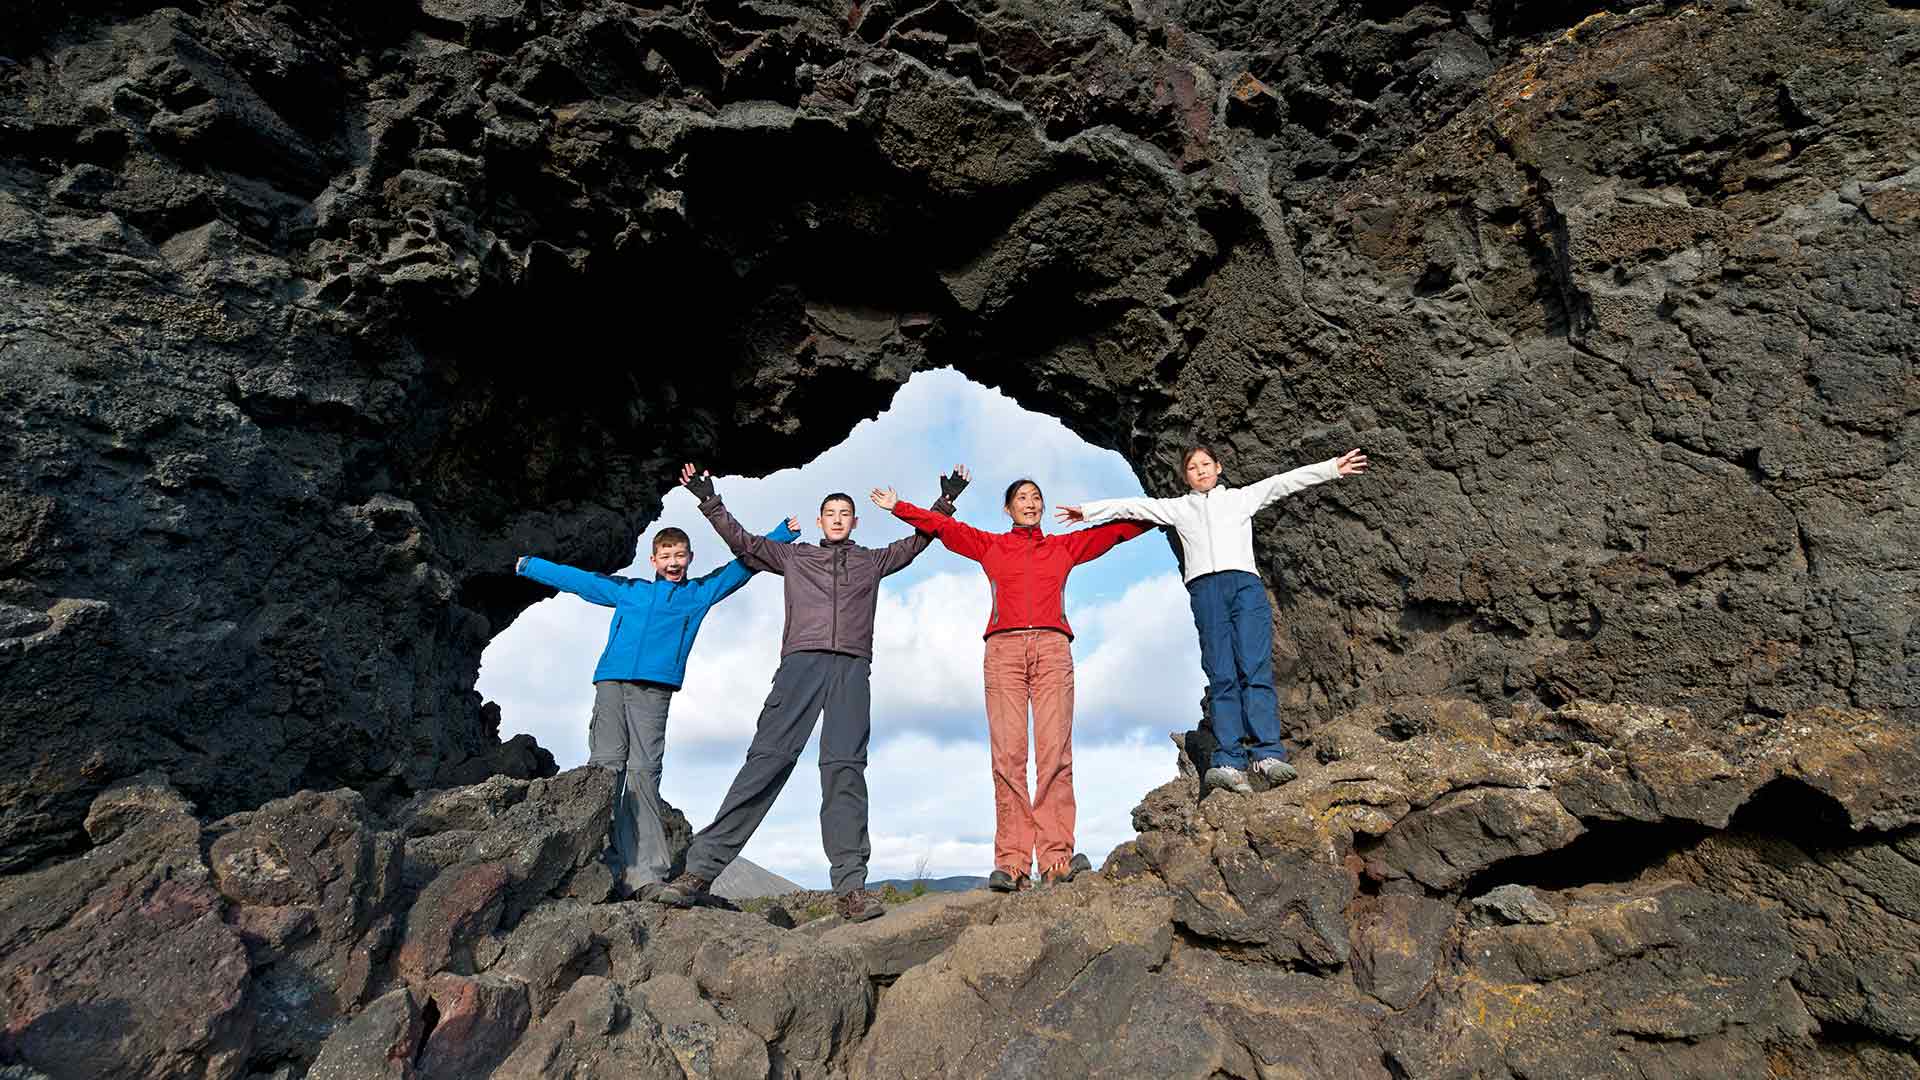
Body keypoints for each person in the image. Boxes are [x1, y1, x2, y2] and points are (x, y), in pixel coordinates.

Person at [654, 463, 961, 921]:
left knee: (845, 770)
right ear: (820, 523)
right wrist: (708, 499)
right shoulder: (795, 558)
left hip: (852, 670)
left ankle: (852, 889)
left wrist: (945, 502)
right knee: (767, 761)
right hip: (801, 664)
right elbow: (745, 543)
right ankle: (698, 873)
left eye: (845, 513)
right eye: (830, 513)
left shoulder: (872, 560)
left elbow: (920, 541)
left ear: (855, 522)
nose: (837, 519)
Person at [876, 470, 1151, 892]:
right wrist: (899, 507)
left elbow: (1114, 533)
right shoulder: (991, 546)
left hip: (1052, 649)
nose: (1031, 502)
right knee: (1008, 756)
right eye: (1022, 497)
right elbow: (945, 528)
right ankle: (1013, 863)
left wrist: (1163, 510)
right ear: (1008, 509)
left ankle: (1057, 858)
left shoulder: (1063, 546)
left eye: (1036, 496)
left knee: (1055, 752)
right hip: (1003, 653)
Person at [515, 514, 799, 901]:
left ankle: (646, 875)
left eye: (680, 555)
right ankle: (594, 865)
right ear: (653, 560)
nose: (673, 562)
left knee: (644, 773)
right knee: (605, 769)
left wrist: (780, 533)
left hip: (654, 691)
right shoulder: (631, 591)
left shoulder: (698, 594)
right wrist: (529, 565)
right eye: (666, 555)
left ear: (690, 558)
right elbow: (582, 581)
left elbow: (741, 568)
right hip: (611, 683)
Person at [1057, 446, 1369, 795]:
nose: (1201, 471)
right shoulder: (1176, 508)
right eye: (1192, 467)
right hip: (1206, 592)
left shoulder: (1242, 498)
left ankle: (1267, 755)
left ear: (1218, 468)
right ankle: (1229, 761)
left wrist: (1333, 468)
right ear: (1185, 476)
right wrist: (1086, 511)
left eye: (1206, 464)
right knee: (1222, 673)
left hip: (1245, 587)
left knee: (1254, 668)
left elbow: (1285, 482)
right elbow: (1131, 505)